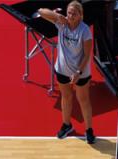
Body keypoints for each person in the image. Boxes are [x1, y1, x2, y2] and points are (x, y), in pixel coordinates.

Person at [38, 1, 95, 143]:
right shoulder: (61, 24)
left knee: (83, 100)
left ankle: (89, 130)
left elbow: (87, 54)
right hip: (62, 70)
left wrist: (78, 72)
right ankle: (66, 125)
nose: (71, 16)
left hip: (80, 72)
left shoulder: (85, 30)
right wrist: (57, 16)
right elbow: (41, 11)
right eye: (69, 13)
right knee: (66, 97)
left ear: (80, 16)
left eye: (74, 13)